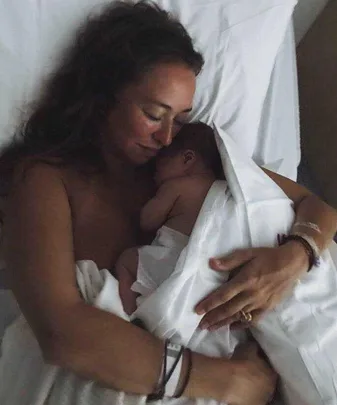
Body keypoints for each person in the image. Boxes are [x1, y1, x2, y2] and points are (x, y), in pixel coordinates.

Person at [0, 1, 336, 404]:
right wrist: (225, 380)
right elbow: (61, 333)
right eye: (153, 114)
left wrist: (296, 255)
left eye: (179, 119)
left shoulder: (188, 160)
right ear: (105, 95)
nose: (166, 137)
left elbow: (315, 208)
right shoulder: (44, 178)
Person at [115, 121, 224, 315]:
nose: (154, 173)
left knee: (126, 260)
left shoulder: (176, 187)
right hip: (214, 273)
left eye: (159, 164)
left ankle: (131, 314)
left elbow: (147, 222)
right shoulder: (222, 188)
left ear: (187, 159)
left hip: (176, 262)